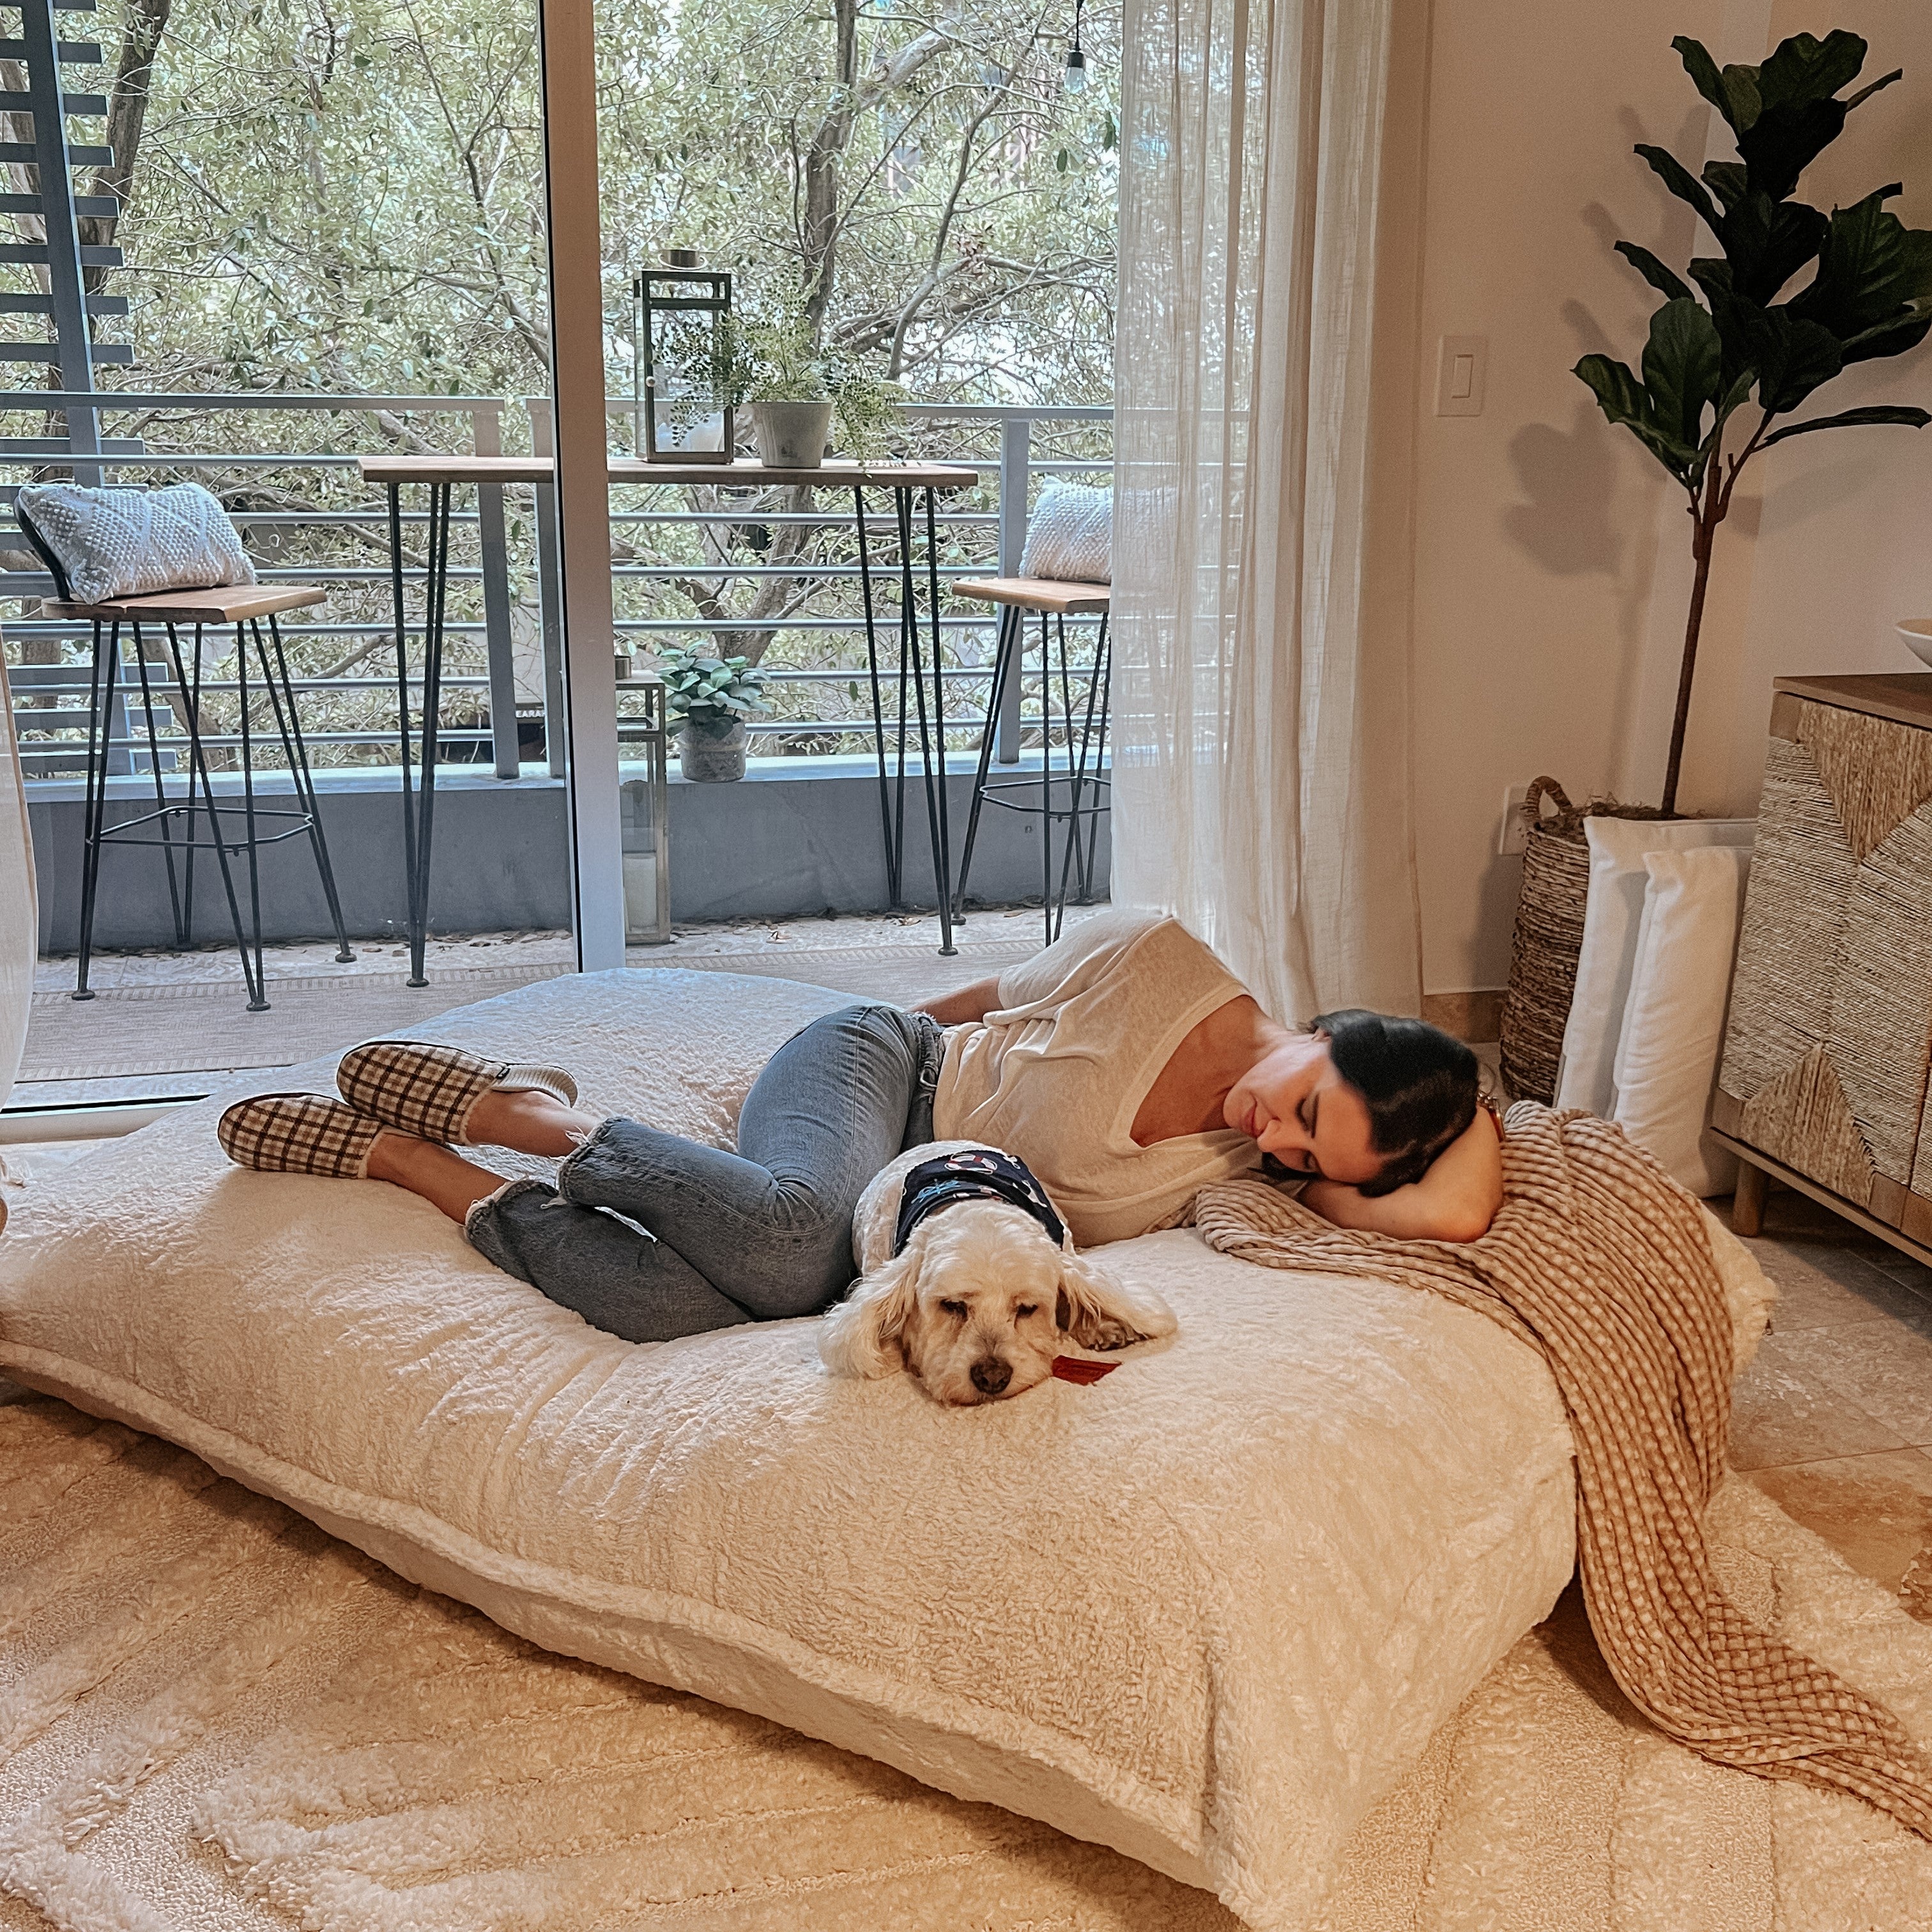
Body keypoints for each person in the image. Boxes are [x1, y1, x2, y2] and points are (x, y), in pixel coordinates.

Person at [217, 908, 1502, 1344]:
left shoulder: (1249, 1168)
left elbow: (1455, 1209)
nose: (1276, 1141)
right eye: (1306, 1107)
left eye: (1306, 1158)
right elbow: (974, 1000)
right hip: (883, 1073)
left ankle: (416, 1166)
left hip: (904, 1204)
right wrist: (793, 1083)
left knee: (685, 1310)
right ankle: (536, 1115)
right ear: (1336, 1029)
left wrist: (1453, 1108)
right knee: (790, 1252)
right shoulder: (1159, 957)